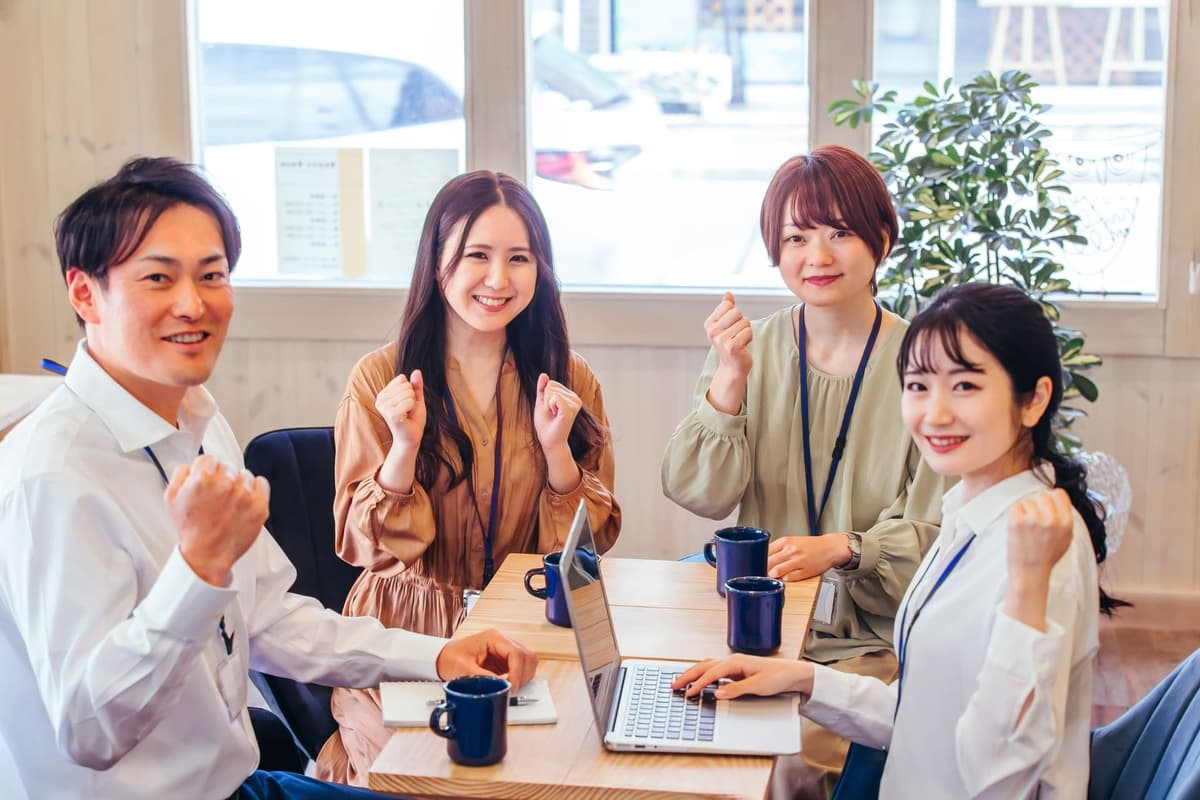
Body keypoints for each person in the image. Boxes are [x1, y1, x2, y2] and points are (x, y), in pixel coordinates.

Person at [0, 157, 538, 800]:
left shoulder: (195, 418)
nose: (192, 303)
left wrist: (439, 657)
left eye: (211, 275)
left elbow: (272, 620)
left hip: (239, 784)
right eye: (157, 277)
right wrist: (197, 571)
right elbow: (90, 731)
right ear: (85, 292)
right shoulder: (55, 475)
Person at [674, 282, 1123, 799]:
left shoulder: (1043, 549)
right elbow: (927, 718)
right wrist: (801, 680)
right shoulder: (966, 513)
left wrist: (1026, 588)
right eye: (917, 385)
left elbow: (995, 774)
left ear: (1033, 399)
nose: (934, 413)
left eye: (965, 387)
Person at [316, 170, 621, 785]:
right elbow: (361, 547)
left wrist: (557, 451)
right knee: (416, 778)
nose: (498, 280)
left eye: (519, 258)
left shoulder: (569, 379)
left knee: (560, 779)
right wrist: (402, 447)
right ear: (437, 263)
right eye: (476, 256)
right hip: (406, 629)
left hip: (525, 628)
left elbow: (592, 545)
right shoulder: (380, 379)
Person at [660, 145, 944, 797]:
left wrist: (848, 547)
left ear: (881, 238)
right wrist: (729, 380)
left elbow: (938, 530)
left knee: (792, 765)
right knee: (669, 732)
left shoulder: (924, 363)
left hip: (869, 639)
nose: (816, 257)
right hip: (755, 624)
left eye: (839, 233)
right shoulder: (750, 348)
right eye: (795, 237)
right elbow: (695, 491)